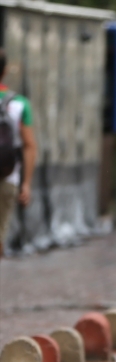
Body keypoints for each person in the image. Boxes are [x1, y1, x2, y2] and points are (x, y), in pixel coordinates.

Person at [0, 49, 37, 260]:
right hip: (7, 176)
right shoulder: (19, 103)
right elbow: (29, 145)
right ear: (4, 71)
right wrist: (26, 183)